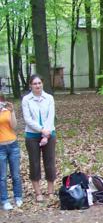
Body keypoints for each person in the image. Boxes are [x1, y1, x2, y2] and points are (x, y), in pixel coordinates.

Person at [21, 74, 56, 202]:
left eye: (39, 83)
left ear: (42, 83)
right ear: (30, 85)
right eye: (34, 83)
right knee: (34, 163)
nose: (37, 85)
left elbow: (50, 117)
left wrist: (46, 135)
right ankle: (38, 193)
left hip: (49, 135)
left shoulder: (49, 98)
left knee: (50, 162)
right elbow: (28, 119)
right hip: (32, 136)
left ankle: (51, 191)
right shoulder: (26, 100)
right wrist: (42, 131)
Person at [0, 94, 23, 210]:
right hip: (0, 147)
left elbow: (14, 126)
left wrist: (12, 111)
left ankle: (18, 197)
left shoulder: (7, 110)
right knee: (2, 176)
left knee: (16, 174)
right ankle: (4, 200)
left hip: (13, 145)